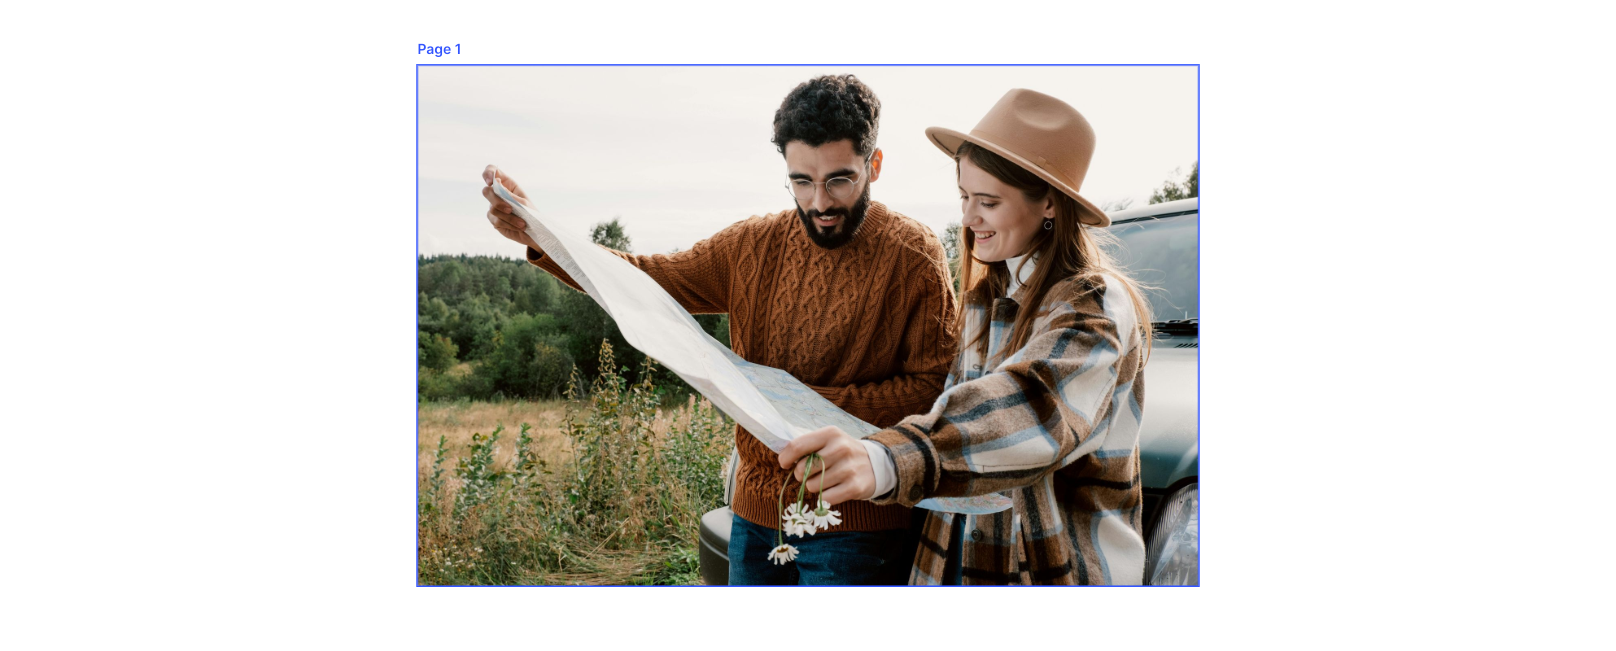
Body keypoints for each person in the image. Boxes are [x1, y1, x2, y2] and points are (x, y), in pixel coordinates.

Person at [479, 74, 958, 585]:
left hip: (861, 523)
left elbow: (933, 388)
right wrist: (544, 236)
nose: (819, 202)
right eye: (801, 180)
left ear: (874, 165)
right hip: (753, 518)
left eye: (839, 179)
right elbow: (645, 277)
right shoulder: (751, 246)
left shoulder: (915, 256)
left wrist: (798, 407)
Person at [776, 88, 1156, 585]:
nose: (968, 217)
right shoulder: (986, 299)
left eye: (989, 201)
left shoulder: (1094, 305)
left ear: (1048, 203)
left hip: (1053, 569)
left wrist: (889, 457)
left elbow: (1031, 409)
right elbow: (956, 407)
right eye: (964, 196)